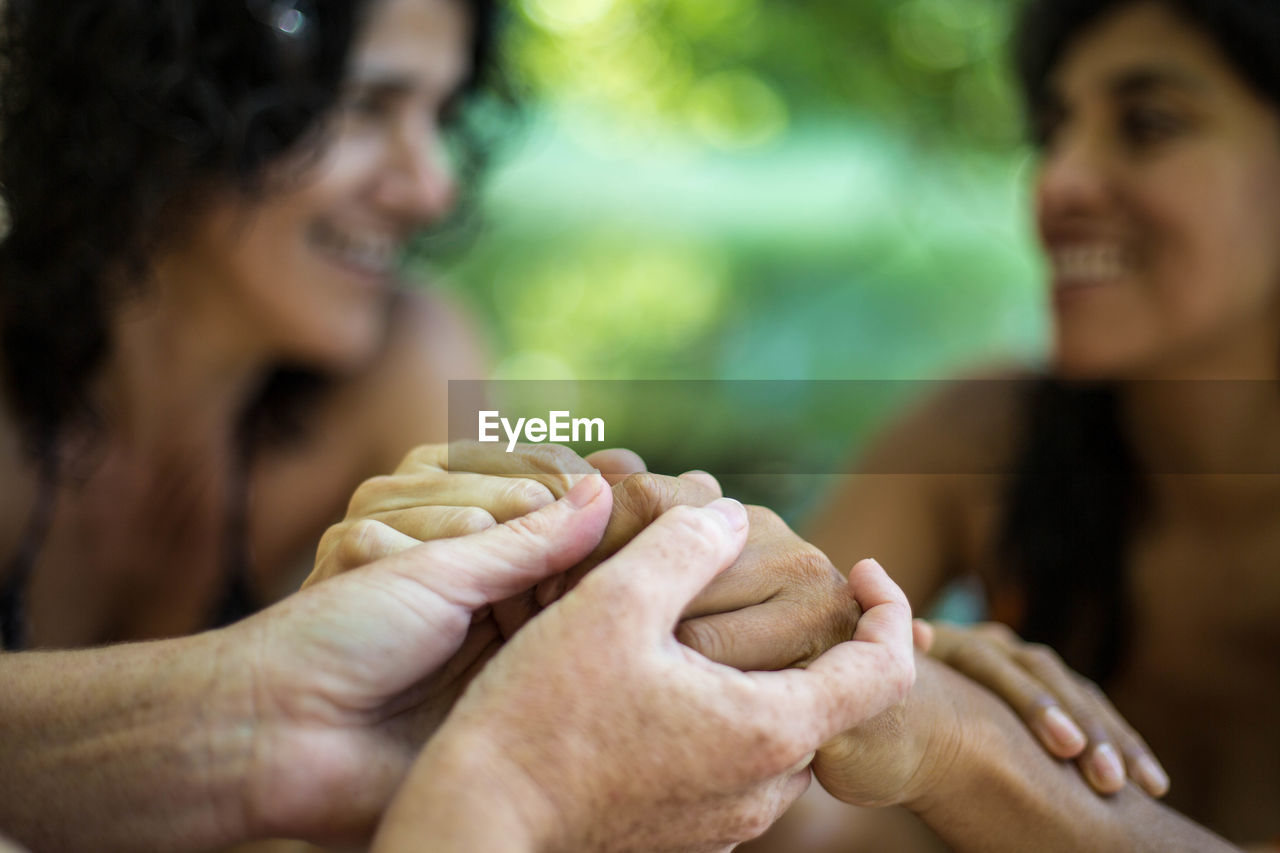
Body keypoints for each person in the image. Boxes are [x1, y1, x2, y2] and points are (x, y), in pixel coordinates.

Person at [800, 0, 1280, 846]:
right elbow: (781, 792)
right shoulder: (981, 437)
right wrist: (876, 700)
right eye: (1054, 130)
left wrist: (969, 752)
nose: (1058, 182)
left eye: (1149, 123)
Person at [0, 0, 489, 650]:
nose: (434, 188)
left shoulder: (412, 361)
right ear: (171, 98)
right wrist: (244, 694)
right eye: (366, 103)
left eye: (442, 114)